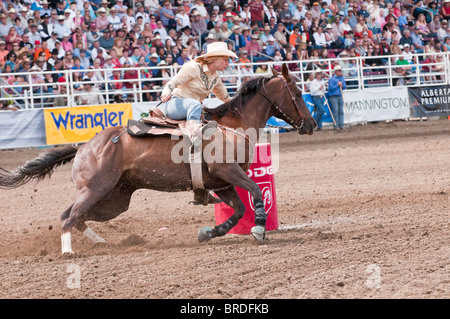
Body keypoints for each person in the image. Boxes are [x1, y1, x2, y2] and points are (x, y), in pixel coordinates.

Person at [158, 41, 236, 145]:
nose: (228, 63)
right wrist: (165, 93)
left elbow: (225, 98)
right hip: (174, 103)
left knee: (206, 111)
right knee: (195, 104)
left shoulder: (215, 77)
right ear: (216, 60)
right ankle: (194, 138)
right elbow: (173, 83)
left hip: (193, 107)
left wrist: (238, 107)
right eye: (225, 60)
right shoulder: (192, 67)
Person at [327, 65, 347, 131]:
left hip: (339, 95)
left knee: (341, 111)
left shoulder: (342, 78)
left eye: (340, 70)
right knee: (336, 111)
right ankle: (336, 125)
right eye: (339, 71)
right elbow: (330, 88)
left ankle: (341, 125)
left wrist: (342, 85)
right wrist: (337, 85)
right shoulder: (331, 79)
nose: (340, 72)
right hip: (333, 96)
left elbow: (344, 87)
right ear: (335, 72)